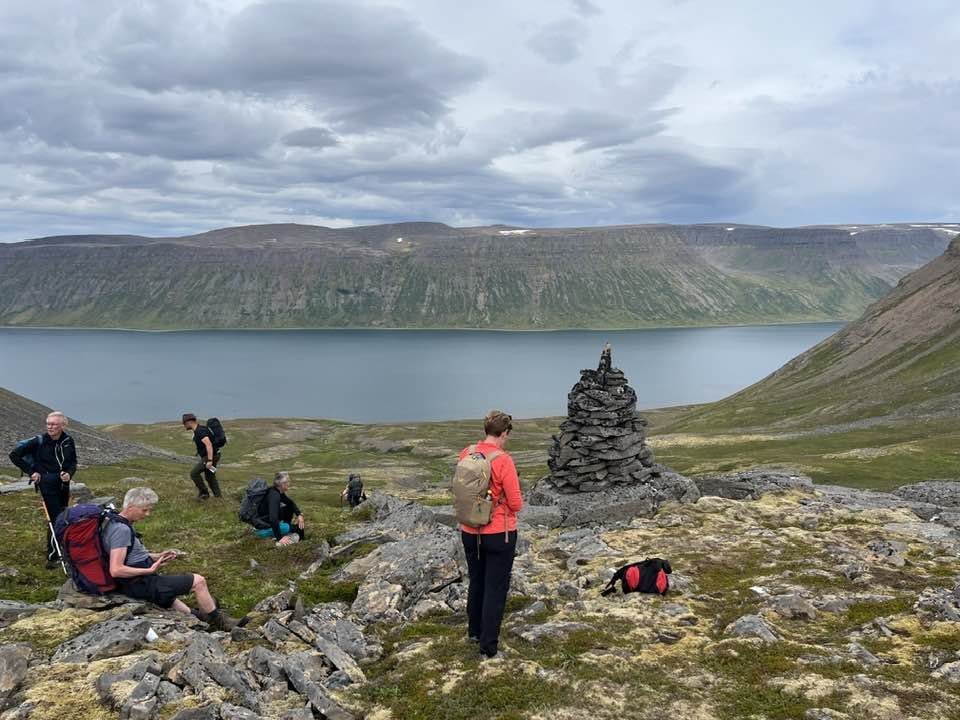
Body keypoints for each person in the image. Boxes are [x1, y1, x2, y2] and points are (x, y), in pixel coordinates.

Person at [103, 487, 245, 630]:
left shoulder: (117, 522)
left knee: (169, 597)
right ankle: (220, 623)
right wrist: (148, 570)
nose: (148, 514)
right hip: (139, 584)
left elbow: (129, 554)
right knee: (198, 581)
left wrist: (156, 556)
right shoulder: (121, 530)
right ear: (131, 507)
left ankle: (199, 616)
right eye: (144, 510)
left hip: (137, 582)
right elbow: (116, 569)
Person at [459, 410, 523, 659]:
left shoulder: (468, 452)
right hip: (498, 533)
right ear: (504, 433)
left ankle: (474, 631)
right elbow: (516, 503)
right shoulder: (503, 460)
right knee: (495, 589)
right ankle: (488, 647)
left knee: (477, 582)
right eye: (507, 435)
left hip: (469, 530)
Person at [8, 411, 78, 569]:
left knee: (63, 516)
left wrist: (69, 473)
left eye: (54, 424)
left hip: (63, 484)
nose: (50, 426)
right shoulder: (38, 441)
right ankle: (53, 558)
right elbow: (14, 455)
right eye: (48, 423)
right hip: (46, 484)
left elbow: (73, 461)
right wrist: (31, 472)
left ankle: (61, 550)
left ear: (63, 425)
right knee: (55, 518)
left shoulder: (68, 440)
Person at [254, 471, 305, 547]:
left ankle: (286, 527)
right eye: (288, 481)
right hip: (262, 530)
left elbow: (290, 503)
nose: (289, 483)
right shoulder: (275, 496)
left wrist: (299, 514)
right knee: (298, 529)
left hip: (262, 523)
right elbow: (273, 518)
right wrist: (279, 537)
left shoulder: (275, 491)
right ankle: (301, 543)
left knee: (288, 507)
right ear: (282, 484)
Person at [182, 413, 220, 499]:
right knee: (210, 477)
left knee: (194, 473)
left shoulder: (200, 431)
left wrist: (210, 460)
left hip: (210, 456)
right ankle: (219, 497)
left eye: (184, 423)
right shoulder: (201, 429)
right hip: (215, 454)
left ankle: (204, 493)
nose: (184, 426)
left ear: (189, 422)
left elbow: (208, 444)